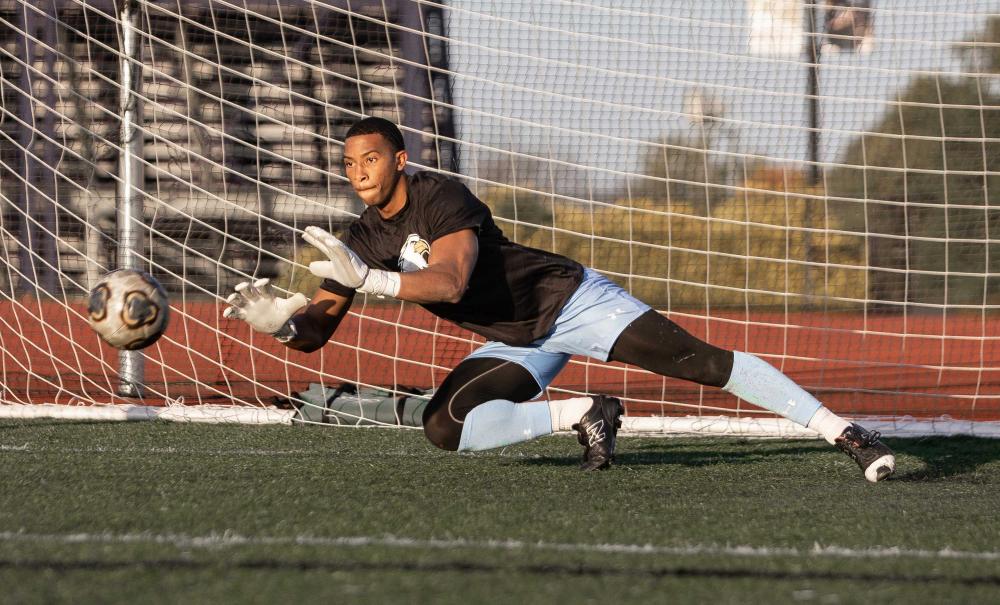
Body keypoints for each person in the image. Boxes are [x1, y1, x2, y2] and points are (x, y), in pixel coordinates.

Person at [224, 117, 895, 481]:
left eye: (368, 158)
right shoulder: (363, 236)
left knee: (700, 363)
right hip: (520, 339)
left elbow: (453, 281)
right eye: (347, 164)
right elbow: (318, 332)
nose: (356, 171)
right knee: (443, 426)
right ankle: (587, 411)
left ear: (400, 160)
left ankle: (846, 432)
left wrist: (371, 283)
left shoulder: (441, 196)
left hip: (572, 302)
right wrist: (285, 323)